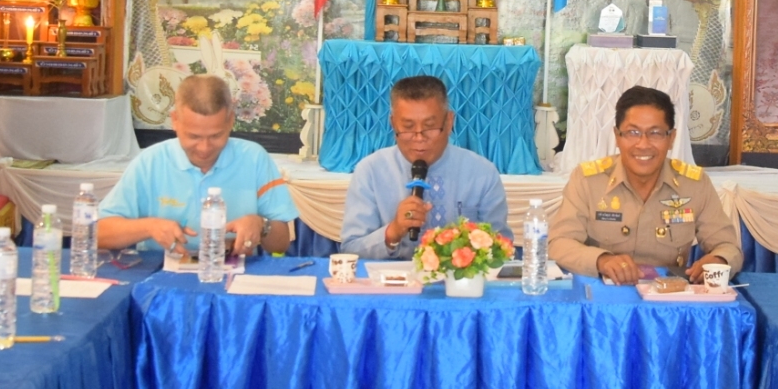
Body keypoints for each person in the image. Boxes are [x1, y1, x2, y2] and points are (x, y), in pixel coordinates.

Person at [550, 86, 739, 284]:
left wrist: (718, 260)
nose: (643, 144)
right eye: (633, 132)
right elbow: (559, 243)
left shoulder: (694, 184)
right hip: (604, 299)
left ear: (671, 138)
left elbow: (728, 247)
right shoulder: (588, 181)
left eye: (655, 133)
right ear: (617, 136)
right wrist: (602, 260)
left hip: (668, 300)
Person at [98, 74, 299, 258]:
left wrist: (261, 225)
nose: (204, 148)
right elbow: (97, 234)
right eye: (193, 136)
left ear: (230, 121)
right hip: (162, 281)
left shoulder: (254, 159)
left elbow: (281, 244)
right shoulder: (150, 163)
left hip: (234, 279)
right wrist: (150, 227)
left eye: (216, 136)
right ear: (175, 121)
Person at [340, 74, 507, 260]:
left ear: (449, 122)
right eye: (408, 127)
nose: (419, 138)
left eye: (429, 127)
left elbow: (501, 249)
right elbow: (349, 251)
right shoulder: (370, 171)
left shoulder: (482, 173)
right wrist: (393, 232)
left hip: (458, 285)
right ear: (393, 123)